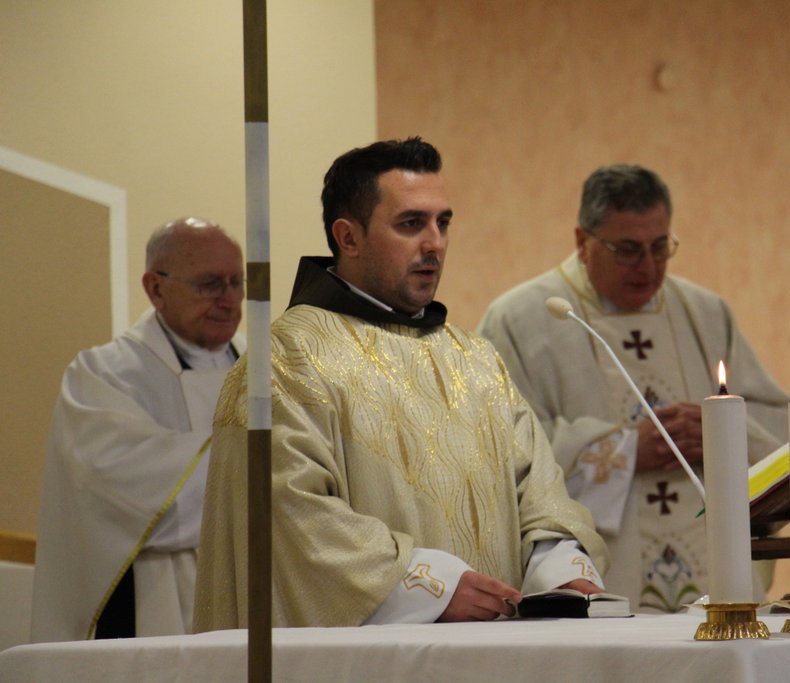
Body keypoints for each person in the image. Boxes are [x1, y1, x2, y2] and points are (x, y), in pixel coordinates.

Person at [193, 138, 609, 630]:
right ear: (348, 237)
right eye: (411, 224)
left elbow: (540, 493)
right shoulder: (285, 359)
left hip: (497, 650)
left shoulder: (474, 359)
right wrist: (430, 587)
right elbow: (283, 515)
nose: (435, 243)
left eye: (442, 223)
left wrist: (560, 571)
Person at [477, 164, 789, 612]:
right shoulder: (519, 320)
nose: (648, 266)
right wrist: (623, 453)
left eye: (660, 247)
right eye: (627, 250)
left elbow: (775, 429)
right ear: (582, 242)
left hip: (713, 580)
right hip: (598, 577)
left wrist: (721, 431)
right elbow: (501, 450)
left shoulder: (705, 312)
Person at [31, 218, 245, 642]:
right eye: (209, 284)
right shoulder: (102, 376)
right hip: (150, 610)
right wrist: (263, 460)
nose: (229, 299)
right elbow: (120, 491)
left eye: (237, 282)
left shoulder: (266, 376)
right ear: (155, 288)